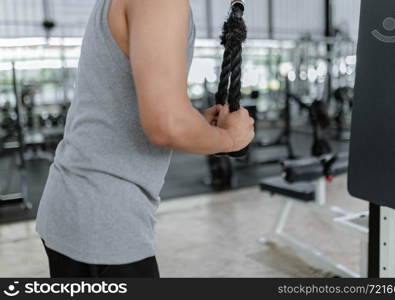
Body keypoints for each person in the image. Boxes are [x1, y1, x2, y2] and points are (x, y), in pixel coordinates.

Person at [36, 0, 254, 278]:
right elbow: (165, 125)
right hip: (103, 217)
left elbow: (140, 108)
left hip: (80, 207)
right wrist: (230, 139)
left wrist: (198, 126)